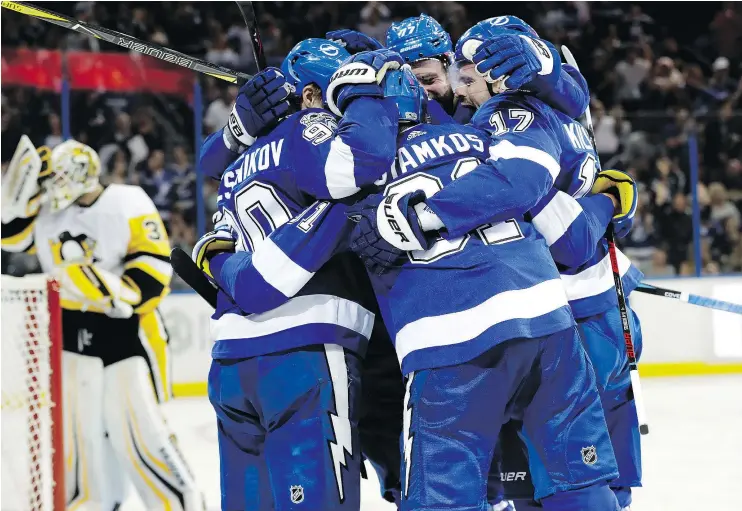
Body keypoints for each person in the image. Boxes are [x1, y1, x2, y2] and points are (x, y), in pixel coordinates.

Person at [191, 39, 402, 510]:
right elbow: (358, 162)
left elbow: (212, 171)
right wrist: (365, 95)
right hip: (305, 351)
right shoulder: (313, 125)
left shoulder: (237, 165)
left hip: (231, 362)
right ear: (311, 96)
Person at [0, 137, 203, 510]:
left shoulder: (128, 200)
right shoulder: (48, 211)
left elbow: (152, 272)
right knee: (81, 441)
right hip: (71, 341)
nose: (55, 186)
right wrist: (23, 190)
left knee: (139, 435)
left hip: (125, 335)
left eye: (61, 178)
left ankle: (179, 503)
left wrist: (107, 289)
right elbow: (9, 236)